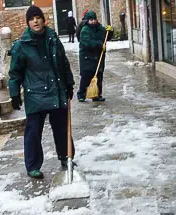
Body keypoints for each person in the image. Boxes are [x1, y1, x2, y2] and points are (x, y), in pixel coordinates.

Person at [8, 5, 75, 179]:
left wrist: (69, 84)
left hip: (57, 90)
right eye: (31, 19)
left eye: (38, 17)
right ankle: (32, 165)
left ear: (43, 20)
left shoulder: (53, 38)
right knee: (33, 131)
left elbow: (63, 62)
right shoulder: (21, 46)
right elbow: (15, 73)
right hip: (35, 94)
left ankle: (65, 157)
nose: (35, 21)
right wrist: (14, 93)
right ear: (28, 23)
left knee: (61, 127)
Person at [77, 10, 113, 102]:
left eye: (94, 19)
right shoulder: (85, 30)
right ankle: (81, 94)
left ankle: (96, 94)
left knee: (98, 76)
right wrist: (99, 45)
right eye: (91, 20)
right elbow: (86, 42)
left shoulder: (100, 28)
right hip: (87, 58)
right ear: (87, 20)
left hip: (98, 57)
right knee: (86, 76)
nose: (93, 21)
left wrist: (110, 31)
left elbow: (106, 37)